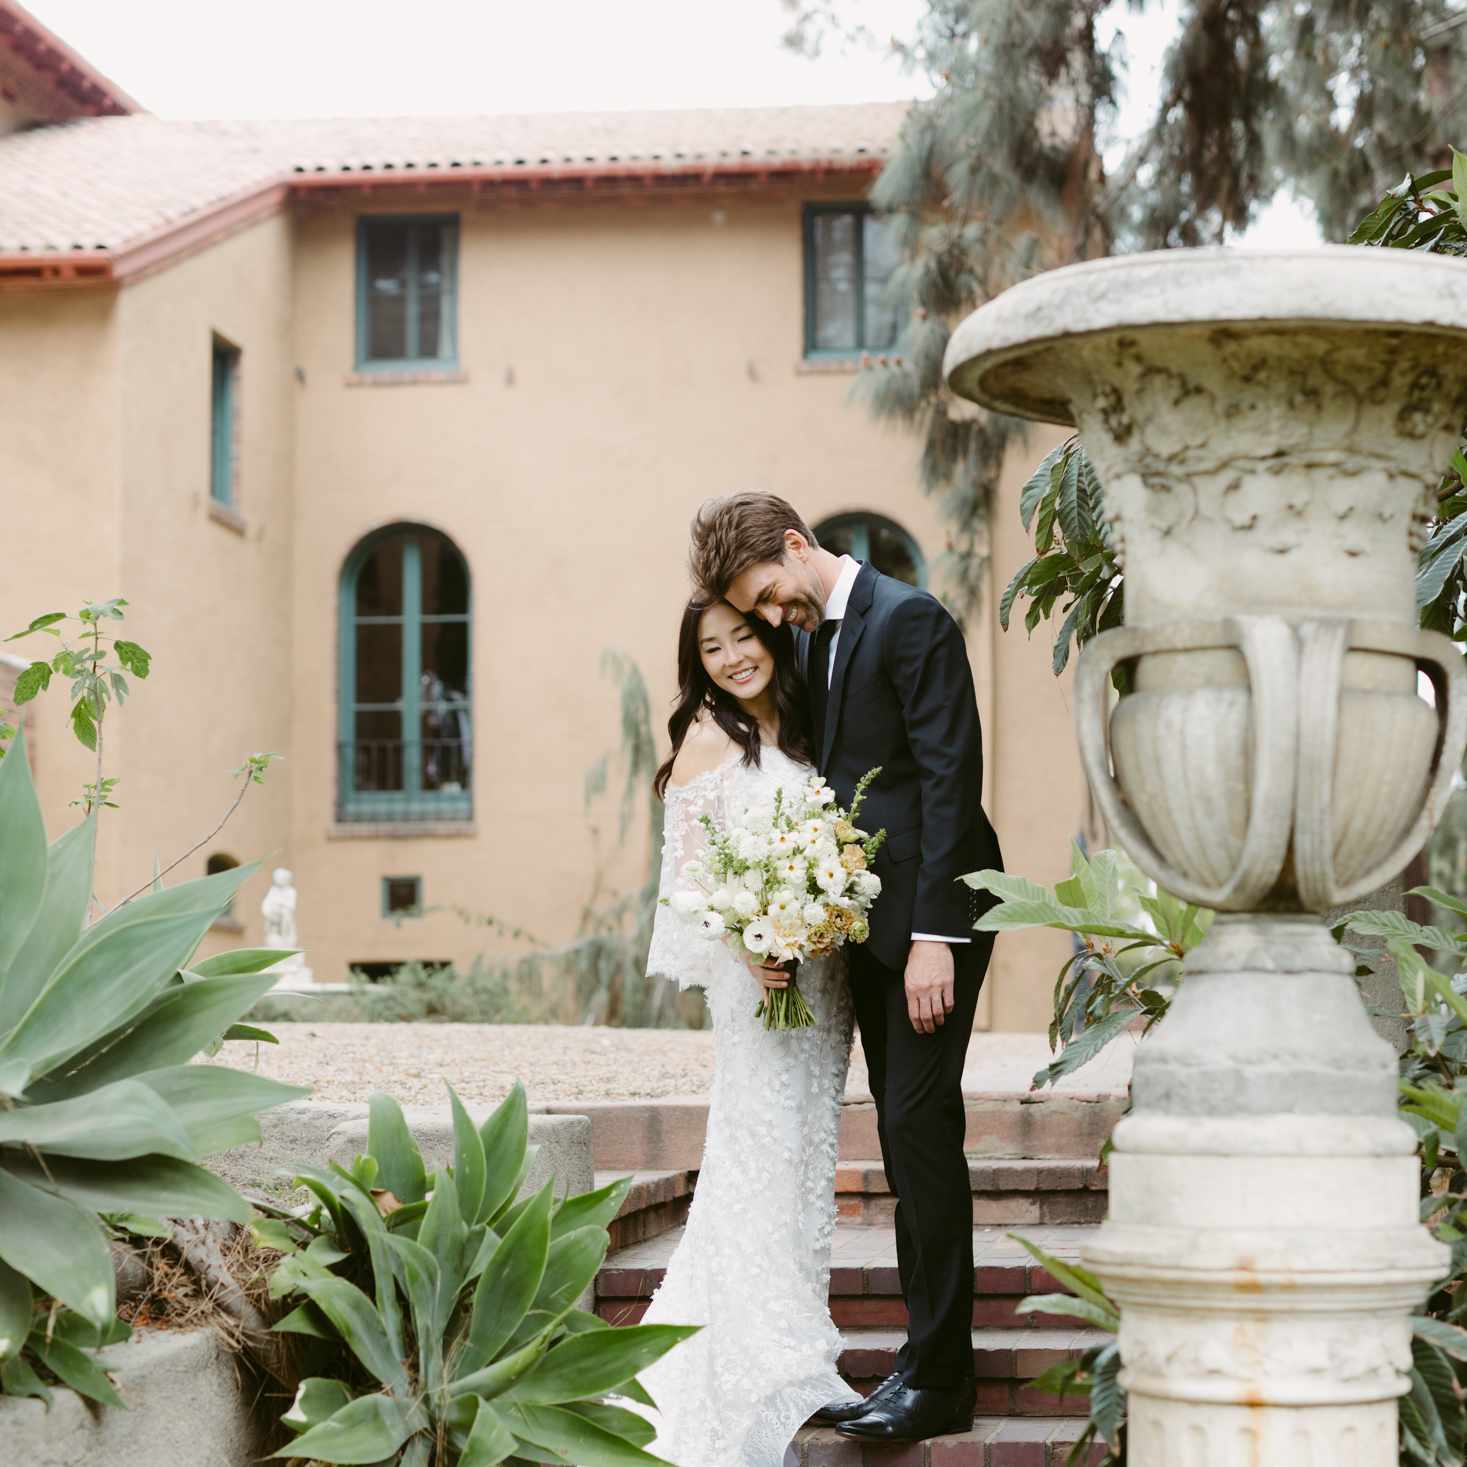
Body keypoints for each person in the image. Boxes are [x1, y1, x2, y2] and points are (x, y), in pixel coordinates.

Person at [691, 492, 1004, 1445]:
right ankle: (919, 1357)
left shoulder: (910, 620)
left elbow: (951, 779)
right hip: (861, 929)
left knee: (918, 1128)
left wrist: (934, 939)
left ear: (797, 545)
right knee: (904, 1139)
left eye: (770, 591)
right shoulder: (809, 639)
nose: (769, 613)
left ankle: (943, 1376)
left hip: (928, 929)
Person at [641, 596, 863, 1466]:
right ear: (696, 660)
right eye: (712, 647)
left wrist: (816, 915)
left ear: (770, 638)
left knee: (806, 1151)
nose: (733, 656)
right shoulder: (706, 737)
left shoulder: (812, 731)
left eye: (743, 637)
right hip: (757, 980)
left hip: (820, 982)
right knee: (756, 1148)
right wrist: (749, 945)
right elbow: (687, 882)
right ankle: (758, 1351)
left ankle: (793, 1325)